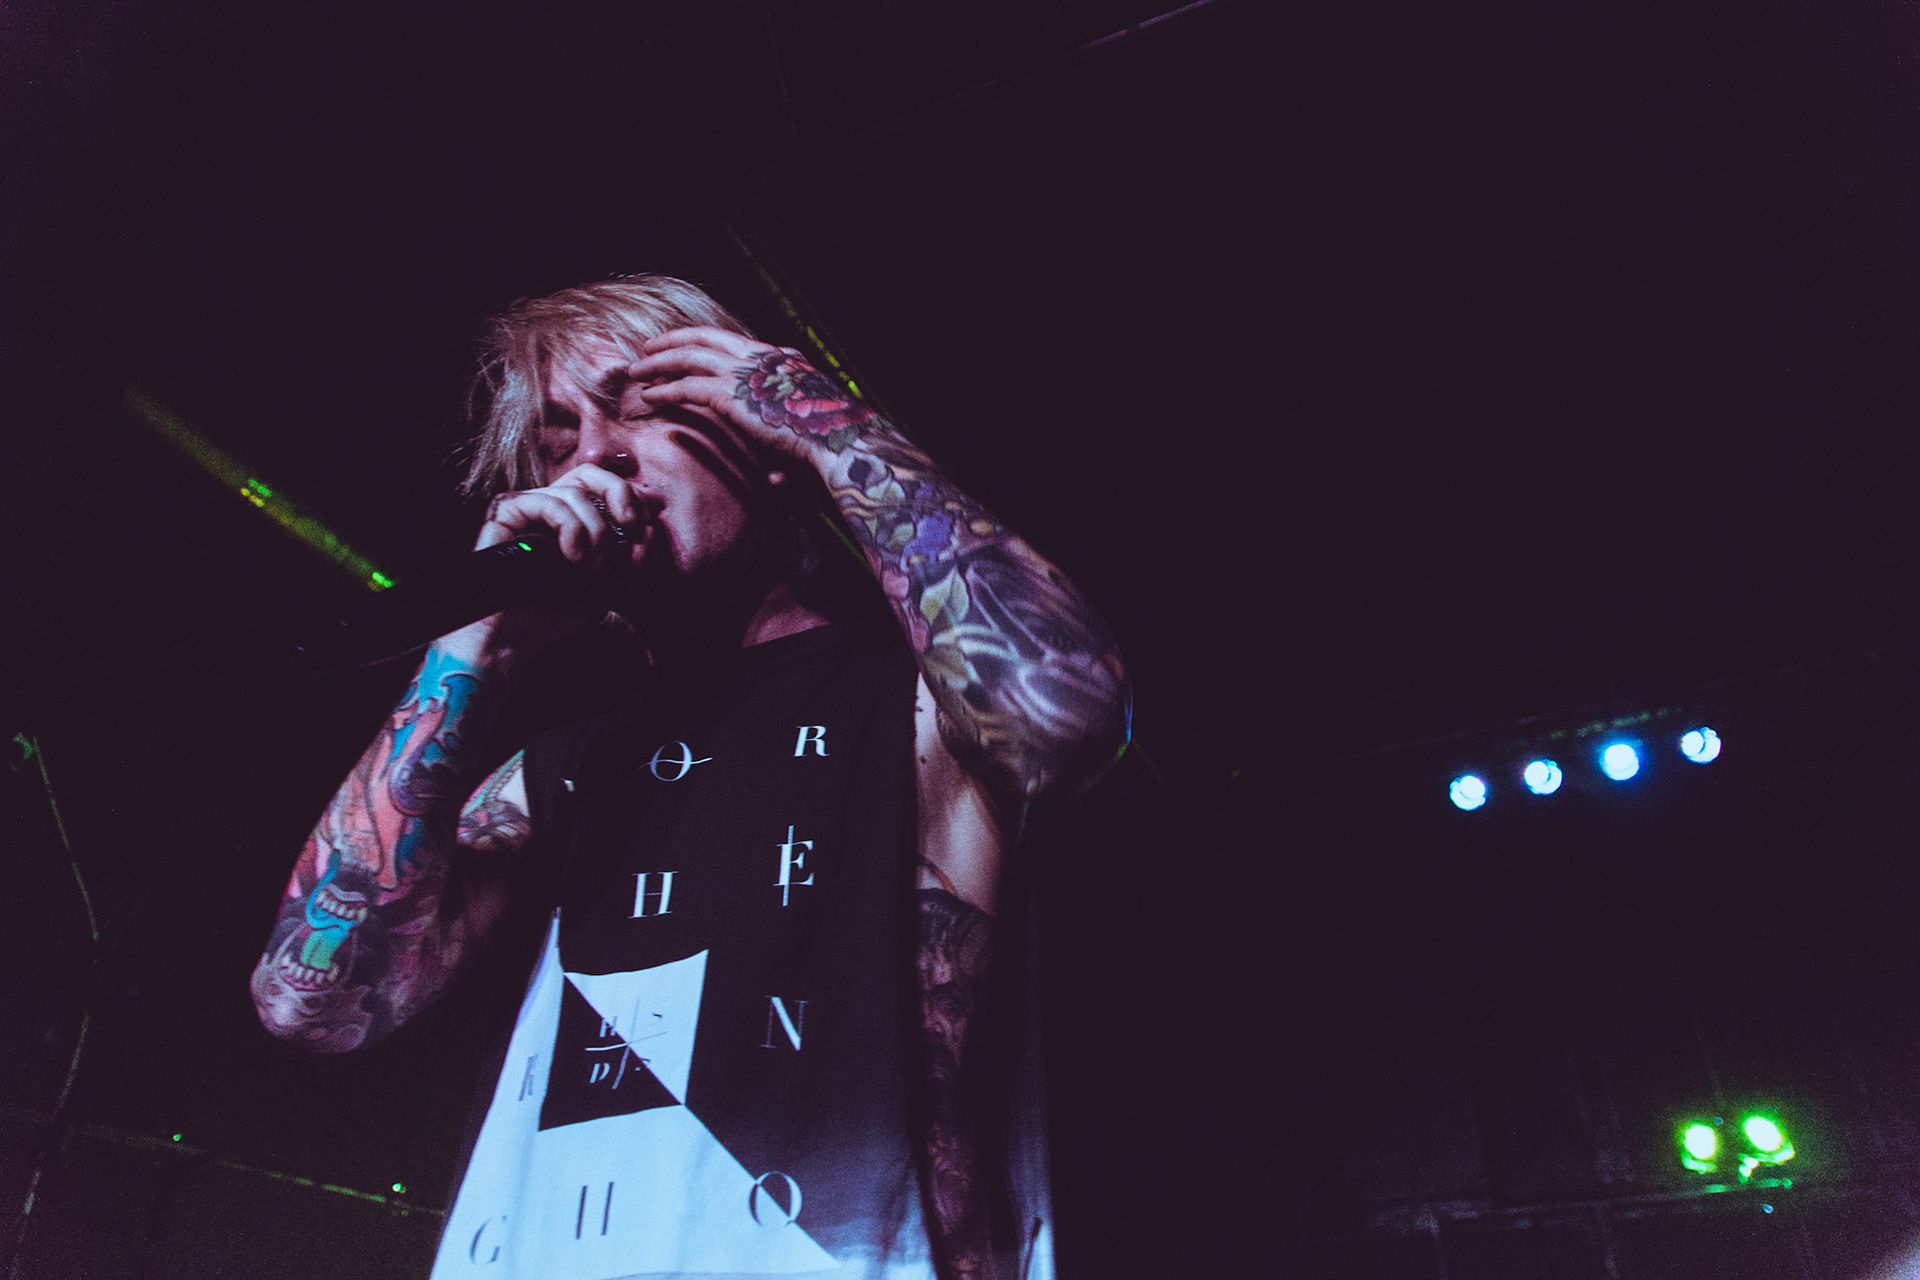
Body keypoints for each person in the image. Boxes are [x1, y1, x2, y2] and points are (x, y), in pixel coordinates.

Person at [250, 275, 1129, 1280]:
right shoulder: (551, 771)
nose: (597, 455)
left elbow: (1063, 712)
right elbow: (308, 998)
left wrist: (829, 424)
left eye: (640, 407)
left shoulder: (917, 705)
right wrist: (476, 647)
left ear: (769, 442)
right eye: (557, 441)